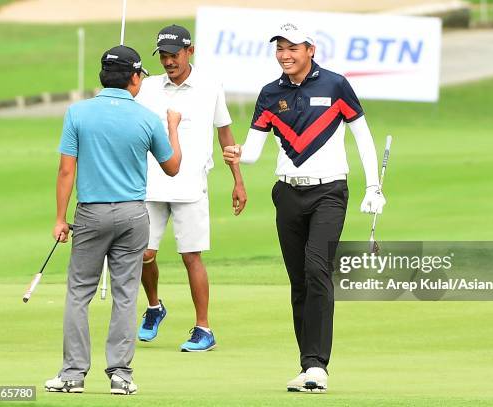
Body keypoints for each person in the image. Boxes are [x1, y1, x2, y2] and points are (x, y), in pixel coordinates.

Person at [223, 23, 386, 392]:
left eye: (292, 47)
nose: (285, 54)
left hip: (329, 192)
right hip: (287, 194)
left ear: (310, 49)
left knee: (317, 270)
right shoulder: (270, 94)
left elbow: (363, 137)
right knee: (299, 281)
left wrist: (373, 186)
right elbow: (253, 151)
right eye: (279, 48)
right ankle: (307, 365)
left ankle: (318, 366)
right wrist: (238, 155)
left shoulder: (335, 85)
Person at [45, 45, 182, 395]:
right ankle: (121, 374)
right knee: (125, 294)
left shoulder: (78, 113)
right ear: (134, 78)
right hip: (133, 214)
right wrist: (173, 127)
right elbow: (173, 167)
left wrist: (60, 218)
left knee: (79, 293)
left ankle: (73, 374)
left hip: (90, 213)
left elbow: (66, 170)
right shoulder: (147, 118)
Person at [134, 24, 247, 351]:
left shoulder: (210, 86)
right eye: (164, 56)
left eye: (174, 55)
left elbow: (225, 133)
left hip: (191, 185)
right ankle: (154, 307)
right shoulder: (149, 87)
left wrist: (237, 180)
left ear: (190, 51)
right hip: (151, 183)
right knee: (144, 253)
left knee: (191, 256)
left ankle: (203, 329)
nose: (168, 62)